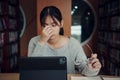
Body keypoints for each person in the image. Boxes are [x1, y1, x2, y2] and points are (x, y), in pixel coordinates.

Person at [28, 6, 101, 76]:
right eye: (45, 26)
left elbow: (84, 70)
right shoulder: (34, 41)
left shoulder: (73, 44)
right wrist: (42, 42)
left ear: (61, 23)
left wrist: (91, 69)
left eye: (53, 25)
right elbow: (30, 69)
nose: (49, 30)